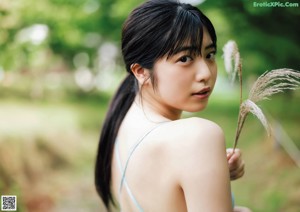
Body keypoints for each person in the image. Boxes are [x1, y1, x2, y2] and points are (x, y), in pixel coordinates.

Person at [95, 0, 251, 211]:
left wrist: (207, 174)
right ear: (141, 71)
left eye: (209, 55)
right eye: (185, 58)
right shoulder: (198, 136)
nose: (206, 73)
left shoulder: (123, 124)